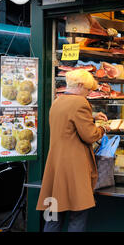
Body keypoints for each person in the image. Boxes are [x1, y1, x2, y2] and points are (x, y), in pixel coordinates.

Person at [36, 69, 110, 232]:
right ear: (80, 85)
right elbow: (90, 136)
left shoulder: (57, 101)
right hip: (74, 170)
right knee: (78, 215)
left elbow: (68, 122)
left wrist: (92, 116)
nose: (89, 93)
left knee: (53, 216)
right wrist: (103, 128)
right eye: (88, 89)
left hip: (56, 168)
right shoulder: (80, 102)